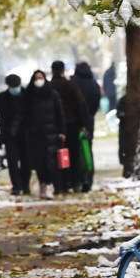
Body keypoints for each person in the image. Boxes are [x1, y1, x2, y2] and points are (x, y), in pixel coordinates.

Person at [11, 70, 66, 200]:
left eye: (40, 78)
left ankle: (49, 186)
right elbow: (21, 113)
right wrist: (15, 128)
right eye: (36, 78)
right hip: (35, 135)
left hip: (51, 135)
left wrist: (62, 131)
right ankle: (43, 185)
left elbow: (60, 114)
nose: (38, 80)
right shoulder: (29, 96)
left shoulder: (52, 95)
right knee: (39, 163)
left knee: (51, 162)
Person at [49, 60, 88, 194]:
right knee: (73, 155)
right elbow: (79, 105)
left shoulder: (49, 87)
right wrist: (82, 124)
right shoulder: (71, 86)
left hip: (54, 127)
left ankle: (61, 184)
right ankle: (75, 182)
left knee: (56, 157)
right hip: (72, 125)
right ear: (63, 70)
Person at [0, 74, 31, 195]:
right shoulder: (1, 99)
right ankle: (16, 186)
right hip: (9, 135)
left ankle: (25, 185)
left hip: (25, 134)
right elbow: (0, 116)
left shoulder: (28, 96)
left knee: (26, 161)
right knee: (12, 161)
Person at [71, 62, 101, 192]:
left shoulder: (72, 82)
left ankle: (76, 180)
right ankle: (88, 178)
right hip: (89, 121)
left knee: (75, 151)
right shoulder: (93, 83)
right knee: (87, 149)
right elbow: (96, 102)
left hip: (74, 122)